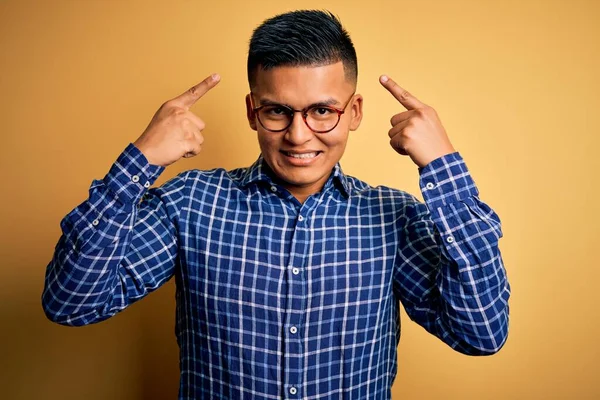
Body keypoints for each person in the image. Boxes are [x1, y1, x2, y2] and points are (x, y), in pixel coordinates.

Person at [42, 9, 510, 400]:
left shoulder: (396, 217)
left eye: (322, 110)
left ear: (355, 112)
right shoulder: (190, 204)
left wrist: (444, 169)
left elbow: (481, 333)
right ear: (252, 111)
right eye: (277, 111)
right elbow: (71, 302)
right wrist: (139, 160)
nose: (299, 134)